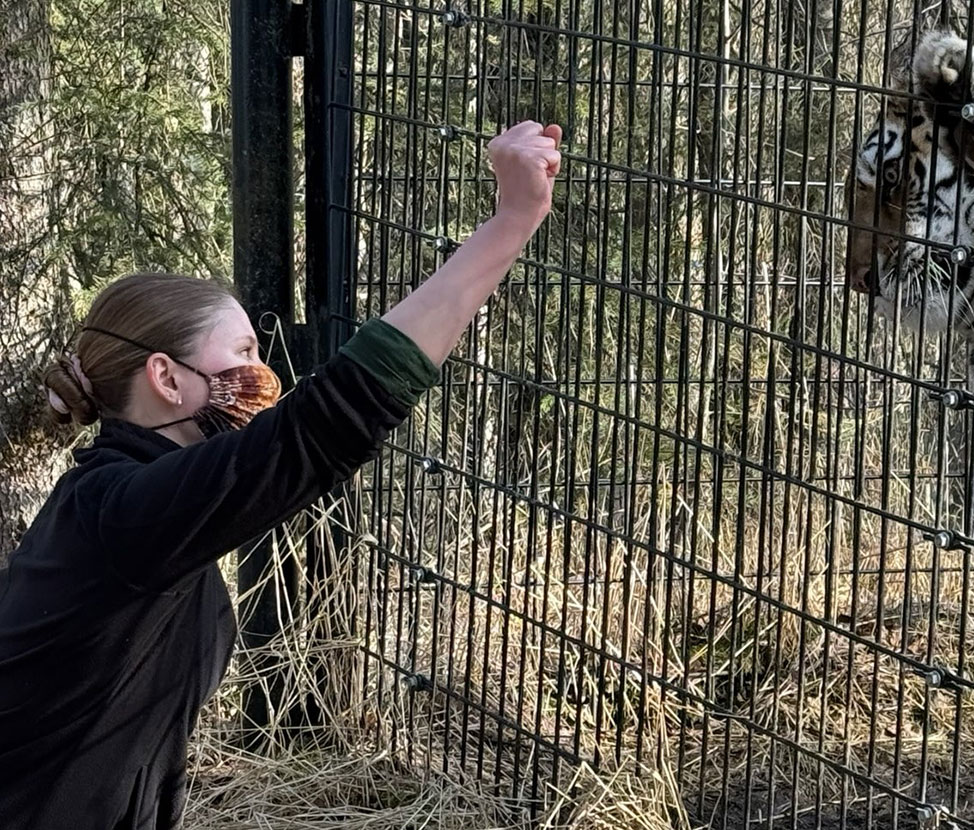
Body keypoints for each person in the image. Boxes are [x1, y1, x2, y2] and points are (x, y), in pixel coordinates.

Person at [0, 120, 562, 829]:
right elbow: (325, 425)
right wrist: (510, 222)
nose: (261, 375)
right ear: (167, 379)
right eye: (240, 352)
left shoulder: (140, 510)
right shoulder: (123, 514)